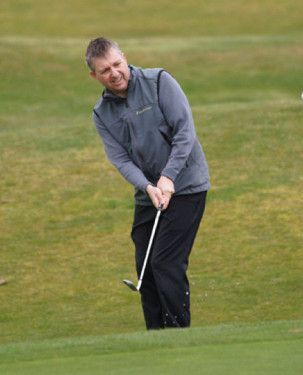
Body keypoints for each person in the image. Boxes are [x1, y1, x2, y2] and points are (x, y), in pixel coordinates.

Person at [86, 37, 210, 329]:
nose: (114, 73)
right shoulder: (101, 113)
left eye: (117, 64)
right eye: (105, 70)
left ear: (124, 58)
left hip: (186, 186)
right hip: (149, 194)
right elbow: (121, 160)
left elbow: (184, 132)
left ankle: (178, 334)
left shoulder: (158, 82)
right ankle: (156, 338)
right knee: (146, 267)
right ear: (94, 75)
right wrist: (148, 187)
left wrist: (168, 177)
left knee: (165, 262)